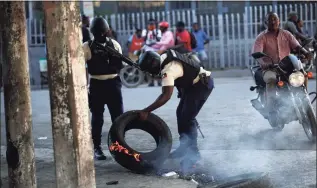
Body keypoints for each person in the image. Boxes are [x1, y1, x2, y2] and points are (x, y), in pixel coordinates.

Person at [137, 49, 214, 173]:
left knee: (187, 118)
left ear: (154, 65)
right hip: (192, 85)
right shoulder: (164, 56)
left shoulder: (168, 70)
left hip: (201, 85)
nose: (152, 75)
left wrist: (147, 111)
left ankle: (193, 156)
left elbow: (166, 96)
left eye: (150, 72)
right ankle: (184, 147)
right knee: (181, 114)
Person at [253, 12, 312, 125]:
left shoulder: (286, 34)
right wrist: (263, 63)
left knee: (302, 74)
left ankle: (304, 94)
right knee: (271, 80)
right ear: (266, 23)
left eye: (275, 19)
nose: (273, 22)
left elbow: (297, 46)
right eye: (270, 20)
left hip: (287, 66)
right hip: (270, 68)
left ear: (279, 21)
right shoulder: (261, 37)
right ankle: (272, 110)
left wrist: (305, 53)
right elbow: (257, 53)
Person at [82, 17, 125, 160]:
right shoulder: (86, 47)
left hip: (113, 84)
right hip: (96, 85)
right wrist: (85, 89)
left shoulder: (114, 45)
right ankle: (97, 148)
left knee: (118, 118)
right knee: (97, 118)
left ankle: (119, 146)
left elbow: (119, 66)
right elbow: (82, 69)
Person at [147, 21, 175, 87]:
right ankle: (154, 81)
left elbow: (165, 42)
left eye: (161, 27)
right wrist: (150, 45)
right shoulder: (162, 33)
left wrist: (155, 43)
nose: (160, 28)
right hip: (162, 50)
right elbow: (159, 44)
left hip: (167, 50)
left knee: (156, 63)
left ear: (165, 27)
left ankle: (158, 81)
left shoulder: (168, 33)